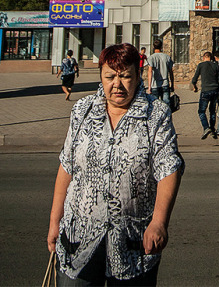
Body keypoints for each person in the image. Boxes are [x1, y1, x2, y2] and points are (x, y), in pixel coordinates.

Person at [47, 43, 183, 286]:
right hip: (78, 239)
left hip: (132, 243)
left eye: (126, 76)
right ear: (101, 76)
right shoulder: (83, 110)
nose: (117, 84)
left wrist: (160, 223)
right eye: (110, 76)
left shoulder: (156, 114)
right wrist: (54, 222)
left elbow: (169, 168)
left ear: (138, 75)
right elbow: (67, 166)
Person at [191, 52, 219, 139]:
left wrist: (194, 87)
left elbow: (194, 79)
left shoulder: (201, 65)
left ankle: (206, 128)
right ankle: (212, 129)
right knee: (212, 111)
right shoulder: (216, 66)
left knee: (201, 111)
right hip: (215, 90)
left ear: (204, 57)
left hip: (205, 90)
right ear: (211, 57)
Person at [147, 39, 174, 104]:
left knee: (154, 105)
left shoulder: (151, 58)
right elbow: (171, 72)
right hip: (165, 83)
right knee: (166, 104)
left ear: (153, 47)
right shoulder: (167, 57)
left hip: (155, 84)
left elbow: (150, 71)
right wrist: (172, 84)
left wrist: (149, 86)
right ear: (161, 47)